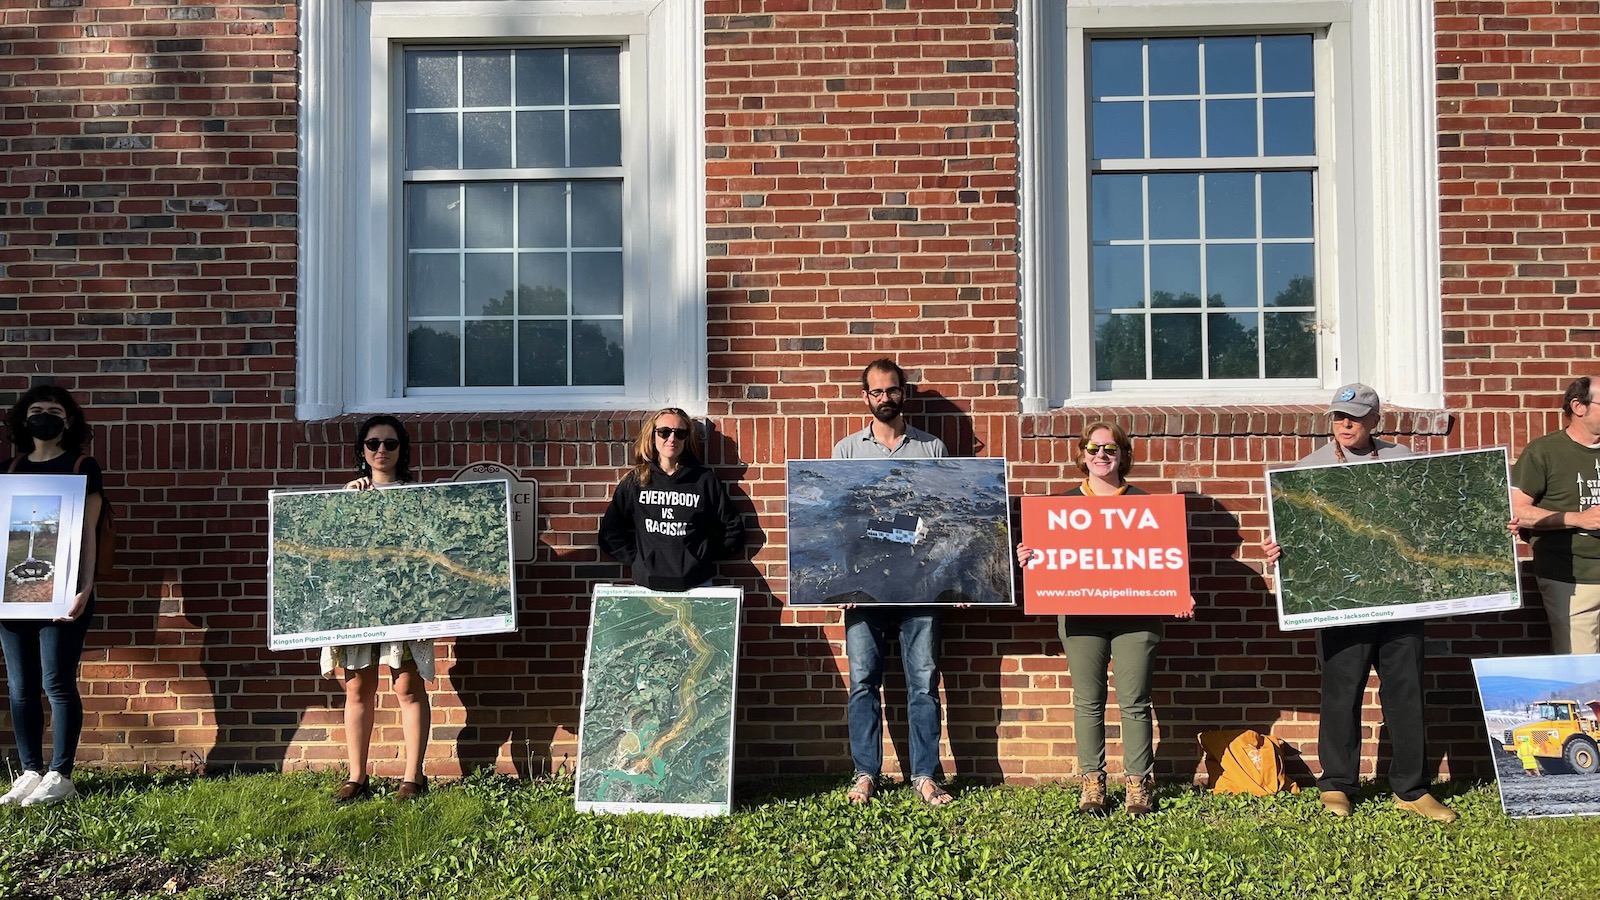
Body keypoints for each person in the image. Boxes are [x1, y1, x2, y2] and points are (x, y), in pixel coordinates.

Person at [1262, 384, 1457, 823]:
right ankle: (1337, 786)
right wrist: (1279, 551)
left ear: (1376, 421)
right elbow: (1301, 538)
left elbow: (1431, 525)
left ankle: (1411, 788)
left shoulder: (1403, 461)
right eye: (1338, 417)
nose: (1345, 424)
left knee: (1406, 694)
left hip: (1399, 602)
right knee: (1340, 695)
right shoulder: (1307, 470)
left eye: (1354, 416)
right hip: (1340, 605)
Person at [1013, 421, 1193, 816]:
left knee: (1135, 701)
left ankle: (1137, 785)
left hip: (1138, 617)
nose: (1101, 456)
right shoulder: (1058, 508)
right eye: (1093, 449)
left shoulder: (1148, 506)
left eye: (1110, 449)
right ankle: (1092, 784)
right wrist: (1030, 559)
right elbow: (1049, 561)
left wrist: (1179, 593)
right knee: (1088, 701)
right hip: (1081, 616)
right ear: (1081, 455)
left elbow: (1165, 562)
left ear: (1123, 455)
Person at [833, 358, 954, 807]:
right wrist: (842, 584)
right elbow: (844, 524)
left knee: (922, 681)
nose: (885, 398)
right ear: (865, 397)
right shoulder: (846, 451)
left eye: (892, 390)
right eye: (877, 392)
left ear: (906, 392)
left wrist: (954, 581)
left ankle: (925, 774)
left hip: (920, 587)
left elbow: (942, 522)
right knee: (863, 681)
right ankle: (866, 773)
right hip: (864, 588)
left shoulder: (932, 449)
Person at [0, 386, 104, 807]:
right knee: (20, 686)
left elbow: (89, 533)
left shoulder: (82, 466)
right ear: (24, 420)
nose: (45, 416)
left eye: (55, 411)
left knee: (56, 682)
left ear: (69, 420)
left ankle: (61, 774)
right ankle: (29, 771)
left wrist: (85, 586)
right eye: (37, 410)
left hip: (64, 593)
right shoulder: (9, 468)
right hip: (10, 596)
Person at [321, 415, 433, 802]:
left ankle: (413, 777)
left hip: (403, 604)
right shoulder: (348, 496)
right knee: (356, 687)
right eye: (373, 444)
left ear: (402, 450)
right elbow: (331, 555)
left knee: (407, 685)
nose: (381, 451)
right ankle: (356, 777)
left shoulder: (418, 499)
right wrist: (349, 506)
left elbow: (427, 553)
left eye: (390, 444)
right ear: (362, 451)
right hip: (358, 606)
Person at [597, 408, 746, 591]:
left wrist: (700, 558)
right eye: (664, 432)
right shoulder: (636, 481)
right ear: (652, 437)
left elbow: (734, 529)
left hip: (697, 584)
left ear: (687, 438)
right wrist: (640, 560)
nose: (672, 439)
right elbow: (609, 533)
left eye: (680, 433)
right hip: (647, 586)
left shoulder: (704, 480)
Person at [1509, 375, 1600, 655]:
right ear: (1578, 407)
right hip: (1572, 580)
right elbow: (1516, 512)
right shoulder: (1544, 451)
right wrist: (1579, 518)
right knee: (1583, 672)